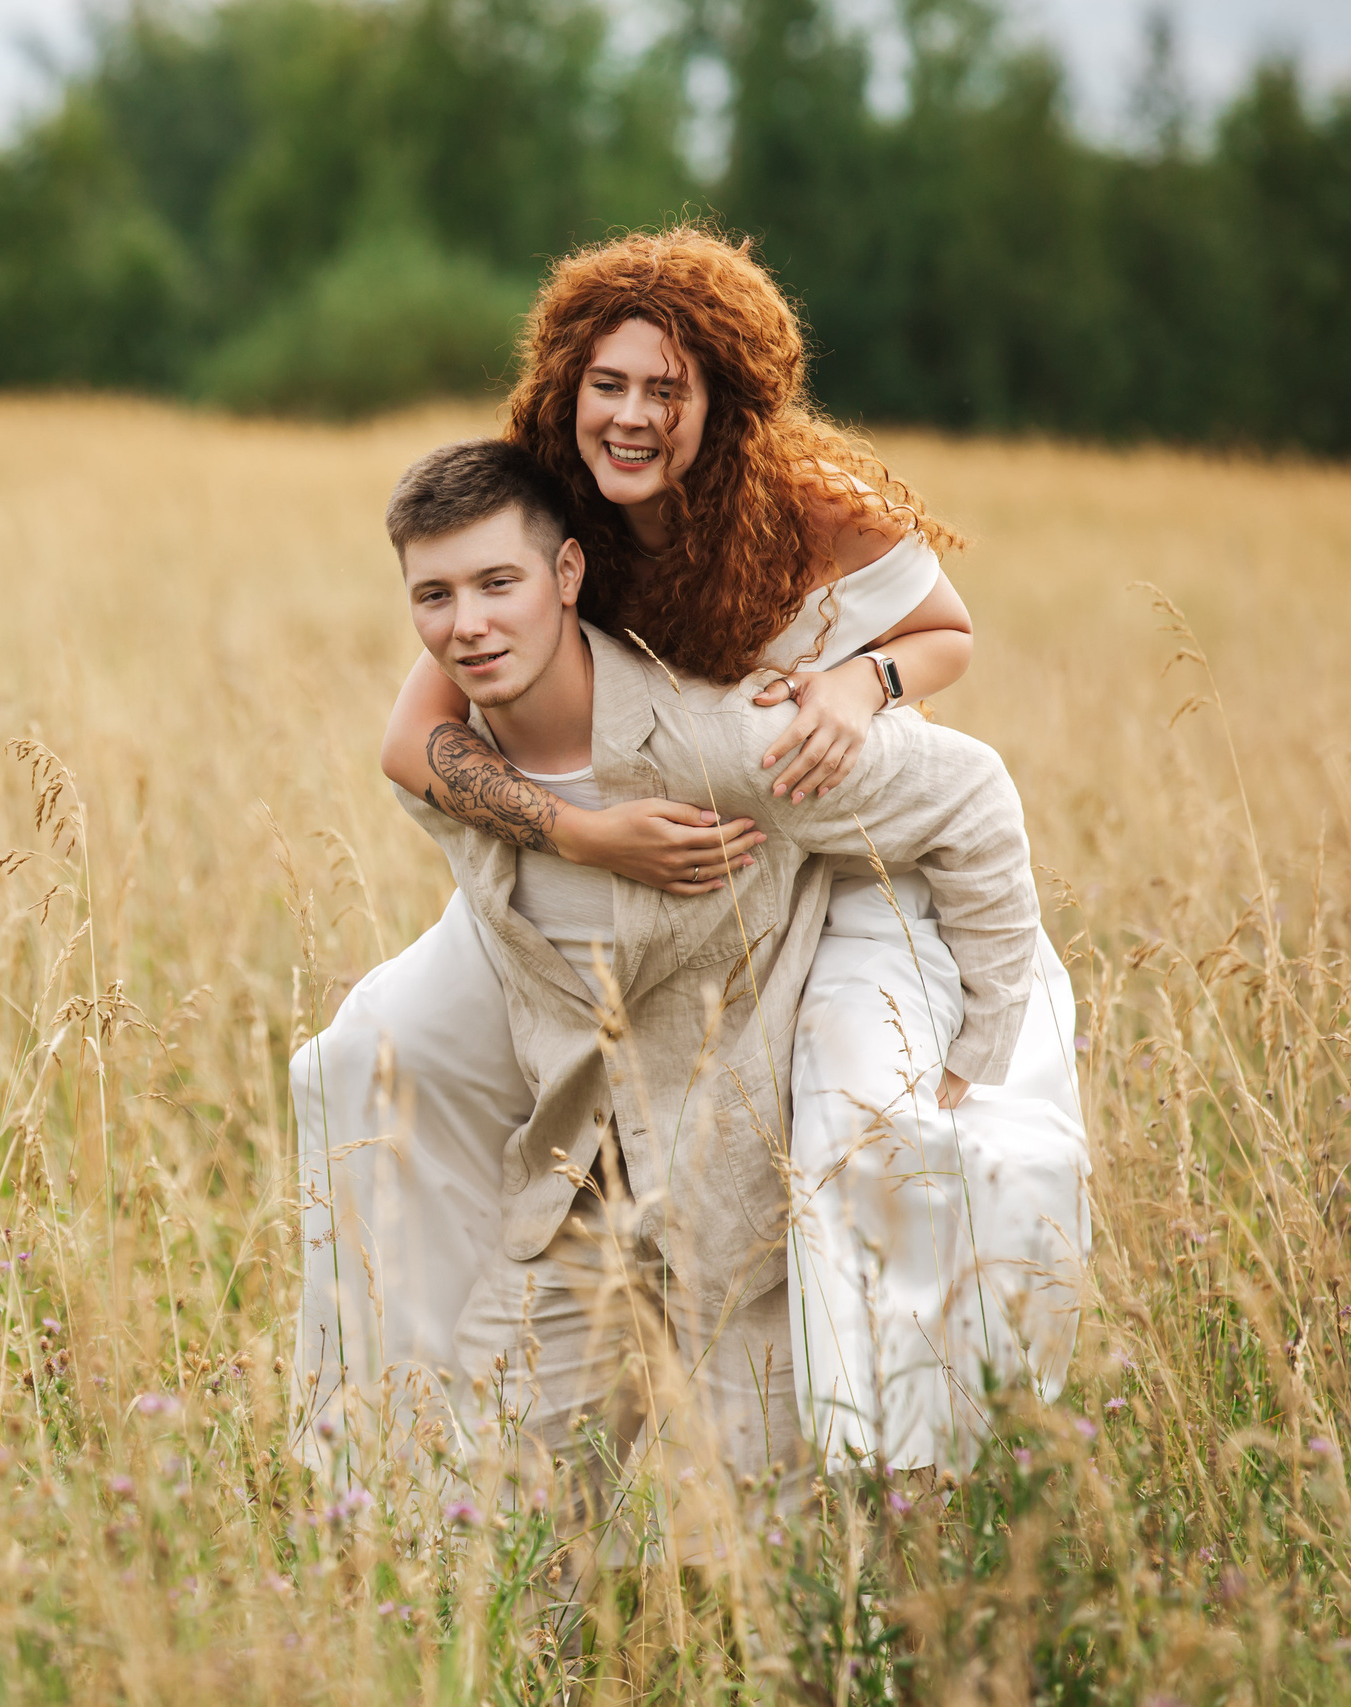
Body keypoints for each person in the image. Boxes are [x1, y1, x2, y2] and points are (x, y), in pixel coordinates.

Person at [293, 226, 1087, 1484]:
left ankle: (894, 1447)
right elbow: (414, 739)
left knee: (848, 1119)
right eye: (609, 381)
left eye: (667, 388)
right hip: (618, 813)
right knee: (367, 1048)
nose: (632, 413)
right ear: (568, 383)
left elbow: (945, 635)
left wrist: (858, 686)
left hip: (804, 796)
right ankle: (392, 1421)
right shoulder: (549, 501)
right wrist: (582, 830)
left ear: (723, 397)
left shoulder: (808, 501)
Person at [337, 437, 1042, 1569]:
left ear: (569, 575)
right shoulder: (463, 783)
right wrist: (579, 831)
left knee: (784, 1576)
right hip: (574, 1202)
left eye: (495, 584)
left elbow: (971, 796)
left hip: (734, 1218)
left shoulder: (731, 744)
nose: (465, 624)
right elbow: (407, 753)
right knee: (494, 1555)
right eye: (434, 595)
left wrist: (986, 1033)